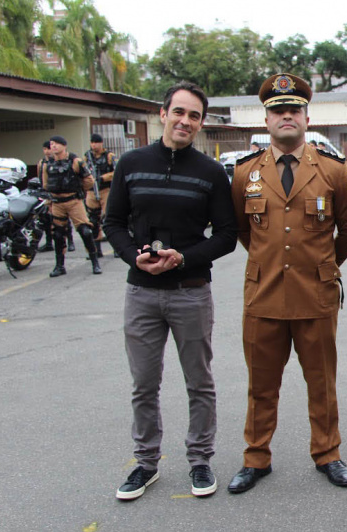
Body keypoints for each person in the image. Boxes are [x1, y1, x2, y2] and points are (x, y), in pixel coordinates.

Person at [103, 82, 238, 500]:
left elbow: (227, 236)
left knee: (199, 382)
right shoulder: (131, 163)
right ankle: (146, 464)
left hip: (191, 292)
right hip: (141, 293)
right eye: (179, 112)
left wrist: (184, 258)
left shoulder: (211, 172)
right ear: (163, 114)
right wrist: (132, 256)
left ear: (200, 123)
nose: (185, 121)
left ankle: (200, 460)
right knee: (144, 383)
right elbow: (113, 223)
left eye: (194, 115)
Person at [228, 73, 347, 494]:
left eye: (294, 110)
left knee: (322, 383)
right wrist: (270, 264)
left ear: (306, 117)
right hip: (263, 296)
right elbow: (243, 232)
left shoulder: (334, 172)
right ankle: (256, 457)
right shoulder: (244, 174)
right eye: (277, 111)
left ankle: (328, 453)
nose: (286, 116)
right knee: (260, 386)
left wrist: (323, 264)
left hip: (316, 296)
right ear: (266, 120)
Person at [41, 135, 100, 276]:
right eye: (51, 144)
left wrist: (79, 193)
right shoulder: (46, 164)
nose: (53, 146)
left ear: (64, 145)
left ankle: (95, 263)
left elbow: (89, 180)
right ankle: (59, 266)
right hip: (57, 202)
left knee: (85, 231)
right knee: (58, 234)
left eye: (56, 144)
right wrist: (49, 202)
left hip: (74, 201)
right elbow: (46, 185)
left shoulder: (75, 161)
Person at [84, 133, 117, 258]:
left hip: (105, 190)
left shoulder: (109, 156)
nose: (94, 145)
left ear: (101, 143)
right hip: (92, 191)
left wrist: (103, 178)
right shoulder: (87, 157)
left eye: (96, 142)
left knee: (109, 219)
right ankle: (96, 249)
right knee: (93, 220)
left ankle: (116, 248)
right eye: (92, 142)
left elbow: (117, 171)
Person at [37, 141, 54, 252]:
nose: (47, 151)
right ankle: (49, 242)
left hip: (56, 192)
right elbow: (39, 177)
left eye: (49, 148)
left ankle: (70, 240)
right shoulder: (41, 163)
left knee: (60, 219)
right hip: (45, 193)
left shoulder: (57, 162)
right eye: (45, 149)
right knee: (46, 218)